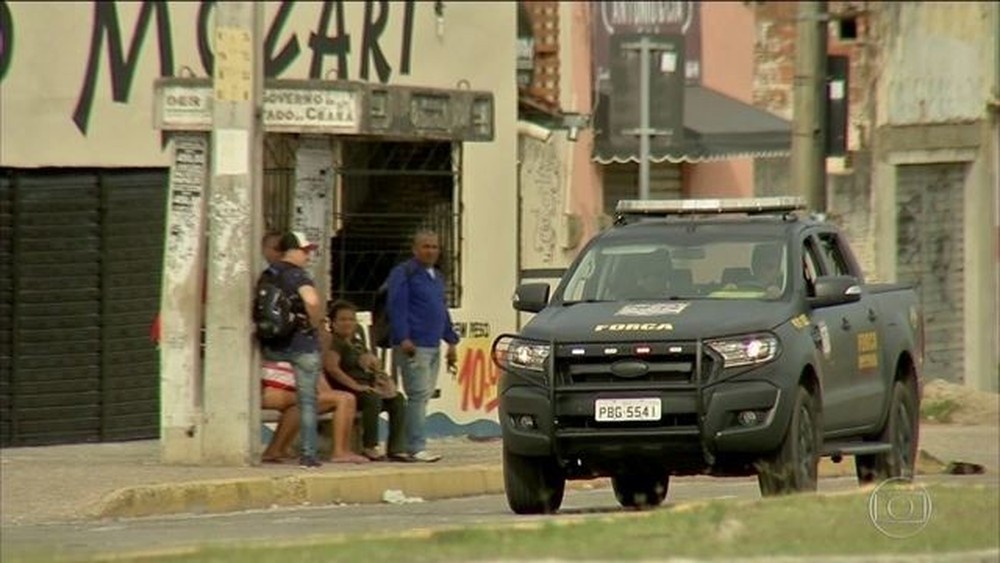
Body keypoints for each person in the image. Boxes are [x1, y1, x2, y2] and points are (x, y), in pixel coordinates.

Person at [387, 230, 460, 463]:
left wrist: (451, 340)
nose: (431, 251)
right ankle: (416, 447)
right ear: (415, 249)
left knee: (423, 396)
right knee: (418, 395)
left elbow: (441, 310)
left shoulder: (436, 277)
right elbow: (396, 306)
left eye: (434, 247)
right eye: (426, 246)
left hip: (433, 345)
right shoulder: (404, 273)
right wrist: (403, 337)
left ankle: (414, 444)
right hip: (414, 346)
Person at [257, 231, 326, 468]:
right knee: (308, 401)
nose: (308, 256)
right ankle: (309, 455)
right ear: (292, 250)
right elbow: (312, 301)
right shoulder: (298, 275)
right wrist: (315, 323)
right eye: (304, 251)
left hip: (271, 345)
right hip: (301, 345)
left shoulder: (268, 274)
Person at [323, 300, 408, 462]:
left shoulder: (357, 343)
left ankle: (397, 448)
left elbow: (370, 364)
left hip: (366, 386)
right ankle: (369, 446)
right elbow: (332, 368)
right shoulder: (334, 342)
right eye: (343, 319)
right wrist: (356, 386)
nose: (348, 323)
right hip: (347, 389)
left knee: (397, 399)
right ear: (333, 323)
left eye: (351, 319)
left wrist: (378, 374)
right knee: (372, 398)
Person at [260, 360, 369, 464]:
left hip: (295, 394)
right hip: (268, 392)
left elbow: (325, 390)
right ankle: (340, 452)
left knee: (343, 399)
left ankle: (275, 450)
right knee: (343, 398)